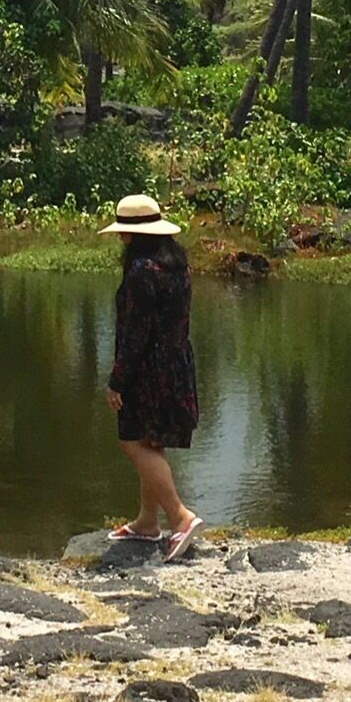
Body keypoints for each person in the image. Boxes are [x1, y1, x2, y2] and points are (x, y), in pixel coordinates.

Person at [100, 192, 201, 560]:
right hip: (176, 363)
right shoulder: (178, 265)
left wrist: (117, 380)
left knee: (132, 442)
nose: (120, 238)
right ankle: (147, 521)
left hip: (148, 369)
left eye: (123, 232)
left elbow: (135, 333)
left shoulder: (142, 271)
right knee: (151, 440)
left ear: (134, 235)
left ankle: (180, 516)